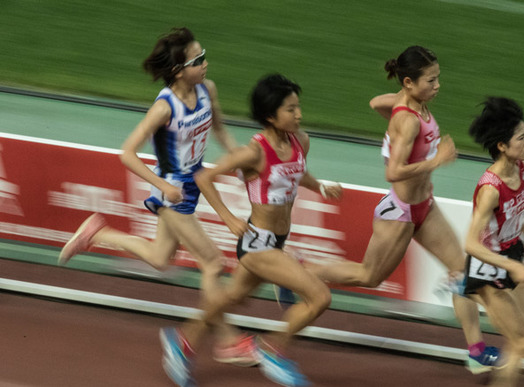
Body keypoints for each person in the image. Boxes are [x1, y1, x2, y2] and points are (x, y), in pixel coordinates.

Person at [58, 27, 258, 366]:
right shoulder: (165, 108)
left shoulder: (207, 89)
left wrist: (237, 160)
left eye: (204, 55)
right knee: (211, 262)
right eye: (198, 60)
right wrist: (162, 185)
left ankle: (98, 233)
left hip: (194, 180)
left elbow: (220, 127)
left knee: (160, 258)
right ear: (179, 70)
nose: (206, 64)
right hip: (171, 188)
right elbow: (127, 153)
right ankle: (227, 342)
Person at [305, 45, 501, 374]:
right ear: (410, 82)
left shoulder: (410, 104)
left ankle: (476, 351)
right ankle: (301, 272)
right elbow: (393, 172)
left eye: (439, 79)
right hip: (400, 213)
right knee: (369, 276)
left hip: (425, 206)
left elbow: (376, 103)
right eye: (431, 81)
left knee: (464, 274)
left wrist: (398, 110)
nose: (438, 86)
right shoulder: (408, 121)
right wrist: (434, 160)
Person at [159, 73, 342, 387]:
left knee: (232, 297)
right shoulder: (253, 153)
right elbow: (203, 177)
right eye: (290, 109)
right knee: (319, 297)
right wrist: (228, 218)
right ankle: (272, 349)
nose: (298, 114)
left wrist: (321, 186)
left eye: (298, 107)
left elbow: (299, 174)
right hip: (258, 244)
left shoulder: (302, 140)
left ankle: (182, 341)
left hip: (278, 241)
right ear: (270, 116)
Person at [463, 97, 524, 386]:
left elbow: (517, 212)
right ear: (501, 145)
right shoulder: (490, 189)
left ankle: (499, 376)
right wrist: (512, 268)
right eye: (520, 137)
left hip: (513, 253)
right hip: (488, 267)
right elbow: (471, 244)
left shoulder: (522, 167)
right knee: (522, 341)